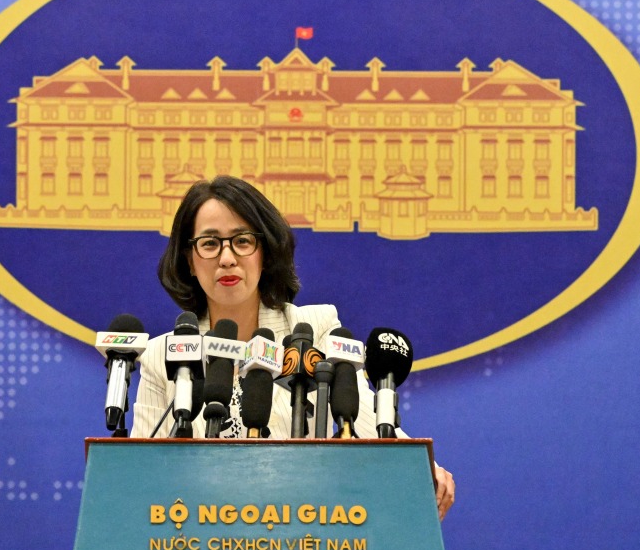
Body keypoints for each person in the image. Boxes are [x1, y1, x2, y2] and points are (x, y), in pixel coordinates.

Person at [130, 175, 456, 520]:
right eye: (210, 244)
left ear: (265, 254)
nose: (226, 259)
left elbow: (368, 422)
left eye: (242, 241)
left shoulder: (314, 330)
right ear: (189, 261)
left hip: (301, 527)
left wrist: (421, 465)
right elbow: (135, 474)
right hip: (197, 531)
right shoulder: (162, 354)